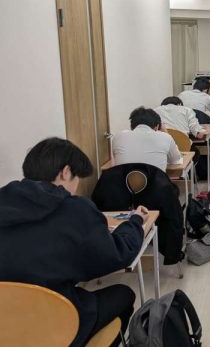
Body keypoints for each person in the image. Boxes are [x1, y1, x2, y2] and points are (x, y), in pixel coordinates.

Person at [0, 138, 148, 347]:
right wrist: (135, 222)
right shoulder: (74, 209)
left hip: (6, 328)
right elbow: (117, 254)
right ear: (66, 172)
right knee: (123, 295)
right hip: (58, 324)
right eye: (77, 177)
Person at [112, 107, 182, 171]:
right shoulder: (165, 137)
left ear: (131, 126)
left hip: (122, 180)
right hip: (156, 180)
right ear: (157, 126)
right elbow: (175, 159)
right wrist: (165, 132)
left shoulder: (118, 136)